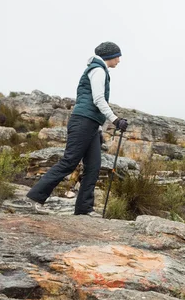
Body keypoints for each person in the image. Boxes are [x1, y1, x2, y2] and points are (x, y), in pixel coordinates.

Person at [27, 42, 129, 216]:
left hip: (91, 126)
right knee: (69, 162)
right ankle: (35, 198)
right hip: (83, 122)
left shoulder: (100, 70)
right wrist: (115, 120)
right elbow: (98, 99)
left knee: (94, 167)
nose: (119, 60)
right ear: (110, 56)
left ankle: (83, 209)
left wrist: (98, 129)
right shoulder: (98, 70)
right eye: (117, 56)